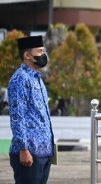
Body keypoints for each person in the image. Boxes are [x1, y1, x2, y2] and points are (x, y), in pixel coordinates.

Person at [8, 36, 55, 184]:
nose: (43, 55)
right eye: (39, 51)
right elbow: (17, 116)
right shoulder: (19, 79)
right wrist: (23, 149)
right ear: (27, 55)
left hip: (44, 151)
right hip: (29, 152)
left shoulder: (37, 78)